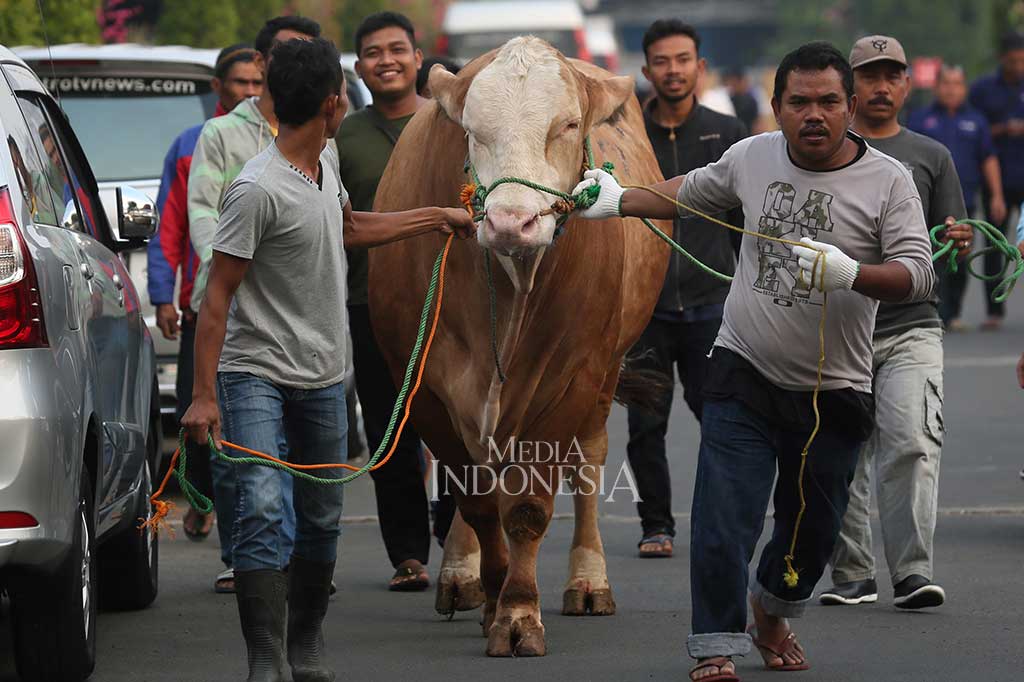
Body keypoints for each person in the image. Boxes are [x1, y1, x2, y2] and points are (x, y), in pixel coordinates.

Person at [574, 41, 935, 681]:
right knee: (723, 517)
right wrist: (619, 199)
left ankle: (771, 609)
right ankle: (715, 644)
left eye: (829, 101)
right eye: (800, 102)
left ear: (850, 107)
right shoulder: (752, 155)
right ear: (777, 106)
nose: (814, 114)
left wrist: (853, 273)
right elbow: (693, 192)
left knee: (811, 537)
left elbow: (917, 274)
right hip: (743, 370)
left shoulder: (890, 181)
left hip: (834, 390)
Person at [181, 37, 474, 682]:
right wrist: (204, 396)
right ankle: (266, 660)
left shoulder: (327, 159)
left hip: (324, 375)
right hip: (253, 373)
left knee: (320, 518)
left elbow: (348, 228)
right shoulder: (255, 188)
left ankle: (304, 646)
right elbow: (216, 298)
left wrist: (439, 217)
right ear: (335, 104)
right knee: (260, 506)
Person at [821, 36, 969, 612]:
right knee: (842, 454)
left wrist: (957, 236)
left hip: (910, 326)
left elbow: (947, 234)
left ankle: (911, 571)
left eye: (893, 76)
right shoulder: (823, 150)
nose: (881, 87)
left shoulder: (932, 155)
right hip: (837, 328)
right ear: (849, 88)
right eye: (870, 76)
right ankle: (852, 574)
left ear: (908, 85)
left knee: (910, 442)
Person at [188, 15, 322, 594]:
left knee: (300, 459)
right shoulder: (222, 135)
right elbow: (202, 216)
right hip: (235, 307)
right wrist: (236, 268)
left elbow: (334, 224)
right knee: (235, 450)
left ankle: (288, 561)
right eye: (288, 54)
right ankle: (243, 557)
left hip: (304, 319)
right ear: (264, 64)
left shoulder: (322, 136)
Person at [335, 11, 450, 590]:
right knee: (390, 429)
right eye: (374, 52)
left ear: (417, 57)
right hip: (370, 304)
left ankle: (460, 535)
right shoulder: (345, 136)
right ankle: (407, 553)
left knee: (458, 424)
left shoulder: (447, 124)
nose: (387, 60)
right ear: (359, 67)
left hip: (453, 304)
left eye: (397, 49)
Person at [627, 19, 746, 559]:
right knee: (645, 424)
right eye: (661, 61)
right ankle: (656, 526)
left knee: (719, 418)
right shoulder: (629, 135)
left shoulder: (728, 132)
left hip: (711, 303)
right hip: (644, 308)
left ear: (700, 66)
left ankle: (722, 521)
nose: (672, 71)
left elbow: (750, 220)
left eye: (682, 60)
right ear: (646, 69)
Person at [148, 43, 262, 541]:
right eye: (242, 83)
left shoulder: (281, 138)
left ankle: (243, 518)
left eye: (259, 84)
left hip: (261, 305)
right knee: (198, 412)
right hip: (206, 300)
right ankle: (200, 495)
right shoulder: (194, 142)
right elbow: (170, 222)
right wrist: (163, 292)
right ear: (219, 87)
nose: (251, 92)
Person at [909, 64, 1006, 330]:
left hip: (963, 201)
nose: (951, 89)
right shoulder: (919, 120)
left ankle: (952, 313)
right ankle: (929, 309)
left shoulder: (976, 121)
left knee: (959, 257)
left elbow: (988, 159)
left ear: (964, 88)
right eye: (946, 83)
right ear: (937, 86)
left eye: (957, 84)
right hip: (923, 204)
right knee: (927, 256)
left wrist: (997, 195)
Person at [969, 31, 1024, 331]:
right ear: (1003, 58)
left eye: (1022, 61)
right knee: (995, 245)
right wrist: (1002, 129)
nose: (1018, 66)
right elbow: (975, 129)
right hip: (997, 182)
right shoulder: (983, 91)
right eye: (1013, 60)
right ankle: (994, 309)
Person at [723, 67, 760, 134]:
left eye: (733, 82)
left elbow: (756, 124)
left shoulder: (750, 101)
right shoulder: (728, 100)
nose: (731, 85)